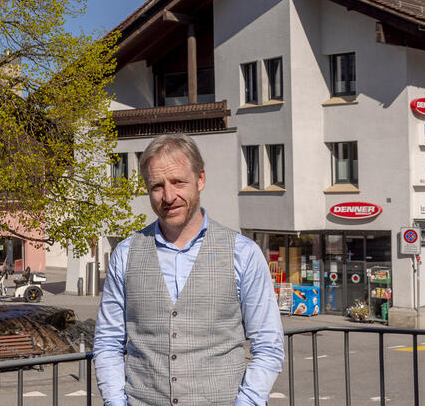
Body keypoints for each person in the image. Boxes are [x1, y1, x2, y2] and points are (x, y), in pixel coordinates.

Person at [93, 134, 284, 406]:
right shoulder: (125, 254)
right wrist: (116, 403)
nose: (168, 196)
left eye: (178, 182)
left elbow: (268, 344)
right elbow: (108, 343)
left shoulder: (242, 253)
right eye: (156, 186)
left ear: (200, 179)